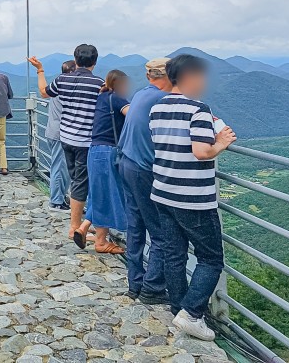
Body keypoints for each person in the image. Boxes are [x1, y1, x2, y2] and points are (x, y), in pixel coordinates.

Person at [150, 54, 236, 341]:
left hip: (163, 191)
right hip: (193, 197)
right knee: (211, 259)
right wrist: (221, 142)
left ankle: (178, 308)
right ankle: (191, 313)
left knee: (174, 254)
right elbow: (201, 152)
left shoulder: (157, 107)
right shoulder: (199, 110)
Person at [28, 44, 103, 244]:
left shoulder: (63, 79)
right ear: (95, 63)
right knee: (87, 182)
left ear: (75, 60)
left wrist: (40, 70)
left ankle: (79, 224)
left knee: (76, 179)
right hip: (87, 141)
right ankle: (78, 227)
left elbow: (44, 92)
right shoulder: (99, 84)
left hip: (65, 138)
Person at [117, 58, 172, 305]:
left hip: (126, 162)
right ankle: (153, 288)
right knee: (160, 231)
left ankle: (135, 283)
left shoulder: (141, 95)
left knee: (136, 227)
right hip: (143, 169)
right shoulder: (161, 99)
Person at [74, 70, 130, 254]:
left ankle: (84, 228)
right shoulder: (117, 98)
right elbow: (133, 117)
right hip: (109, 152)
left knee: (99, 193)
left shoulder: (102, 97)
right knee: (110, 194)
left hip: (94, 149)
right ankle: (101, 241)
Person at [45, 60, 76, 211]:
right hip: (60, 133)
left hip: (54, 131)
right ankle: (56, 201)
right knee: (59, 167)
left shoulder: (57, 85)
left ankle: (61, 198)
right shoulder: (65, 88)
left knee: (63, 167)